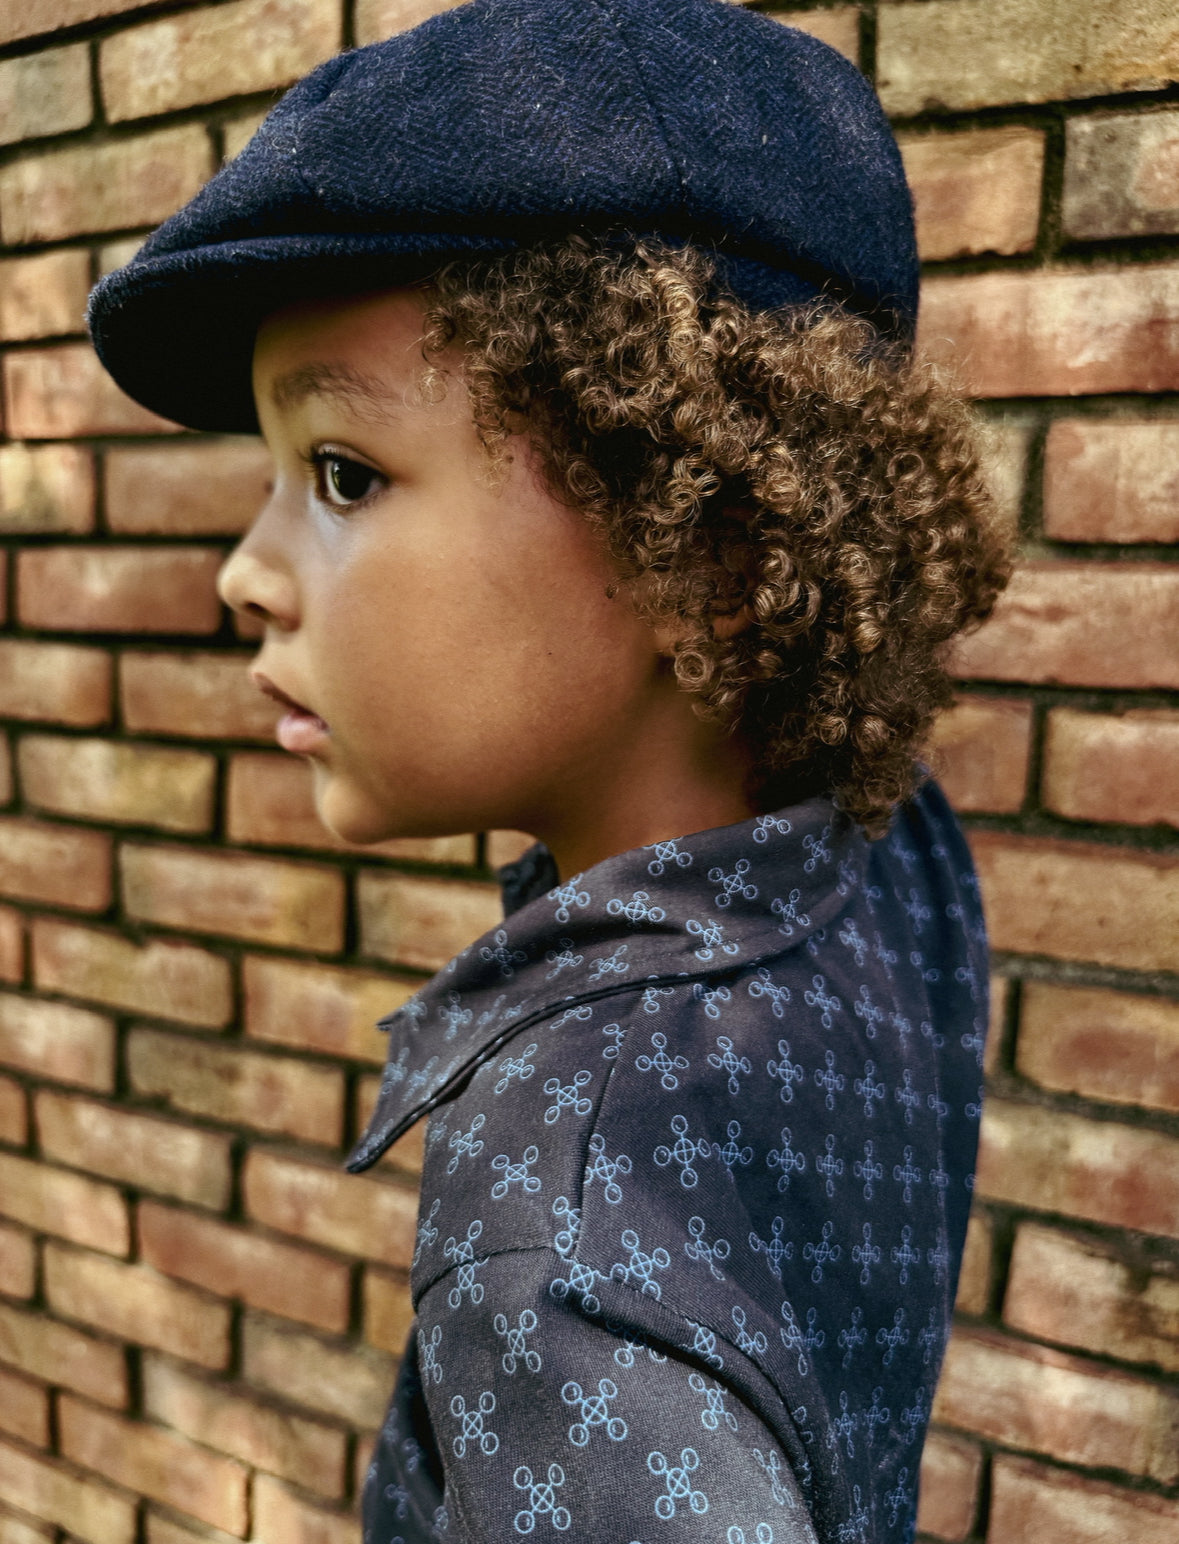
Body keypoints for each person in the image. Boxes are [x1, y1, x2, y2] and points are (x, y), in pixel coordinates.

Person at [88, 2, 1009, 1540]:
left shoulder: (563, 1234)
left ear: (709, 553)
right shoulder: (882, 846)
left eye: (342, 474)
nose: (245, 573)